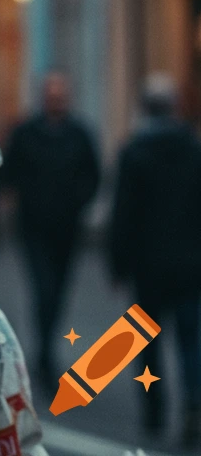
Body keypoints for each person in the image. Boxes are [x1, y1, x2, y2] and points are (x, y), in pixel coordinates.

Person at [109, 73, 201, 444]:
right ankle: (194, 405)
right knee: (190, 341)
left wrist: (118, 263)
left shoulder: (134, 153)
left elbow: (123, 214)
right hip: (191, 264)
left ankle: (153, 410)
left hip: (148, 266)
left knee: (146, 341)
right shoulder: (193, 150)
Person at [2, 71, 100, 383]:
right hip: (33, 227)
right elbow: (9, 173)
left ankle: (47, 344)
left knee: (58, 291)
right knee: (43, 289)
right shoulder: (27, 133)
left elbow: (93, 173)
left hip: (67, 228)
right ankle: (44, 352)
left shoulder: (79, 134)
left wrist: (79, 203)